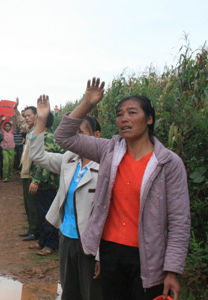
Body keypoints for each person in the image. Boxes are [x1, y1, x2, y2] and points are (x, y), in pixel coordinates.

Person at [53, 77, 191, 300]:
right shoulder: (109, 150)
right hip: (110, 252)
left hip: (148, 259)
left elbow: (179, 221)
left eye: (132, 112)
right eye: (119, 114)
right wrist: (87, 103)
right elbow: (63, 136)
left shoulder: (168, 163)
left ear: (149, 119)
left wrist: (172, 270)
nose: (124, 118)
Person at [30, 96, 103, 299]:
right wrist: (41, 120)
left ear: (97, 136)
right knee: (70, 293)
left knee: (92, 293)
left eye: (81, 133)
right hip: (68, 239)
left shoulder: (106, 166)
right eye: (74, 134)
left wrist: (101, 255)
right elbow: (38, 156)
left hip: (90, 245)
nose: (76, 138)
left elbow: (108, 214)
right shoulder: (69, 159)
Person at [27, 112, 62, 256]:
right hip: (43, 184)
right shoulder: (43, 136)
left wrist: (37, 181)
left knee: (48, 215)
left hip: (47, 184)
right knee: (42, 214)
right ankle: (43, 240)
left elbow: (44, 164)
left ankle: (50, 244)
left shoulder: (47, 138)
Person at [14, 97, 40, 241]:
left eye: (29, 115)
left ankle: (35, 231)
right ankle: (31, 228)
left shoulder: (38, 130)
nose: (26, 118)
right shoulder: (30, 130)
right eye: (26, 116)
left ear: (37, 116)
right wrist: (16, 110)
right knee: (28, 204)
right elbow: (21, 123)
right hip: (25, 172)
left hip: (31, 173)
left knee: (33, 204)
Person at [0, 116, 16, 182]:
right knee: (6, 163)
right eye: (6, 126)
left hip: (11, 149)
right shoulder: (3, 132)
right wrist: (2, 120)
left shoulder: (12, 131)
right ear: (4, 127)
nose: (7, 127)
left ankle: (10, 176)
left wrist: (14, 118)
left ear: (10, 127)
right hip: (4, 149)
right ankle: (5, 177)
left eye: (8, 126)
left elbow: (14, 125)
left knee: (11, 163)